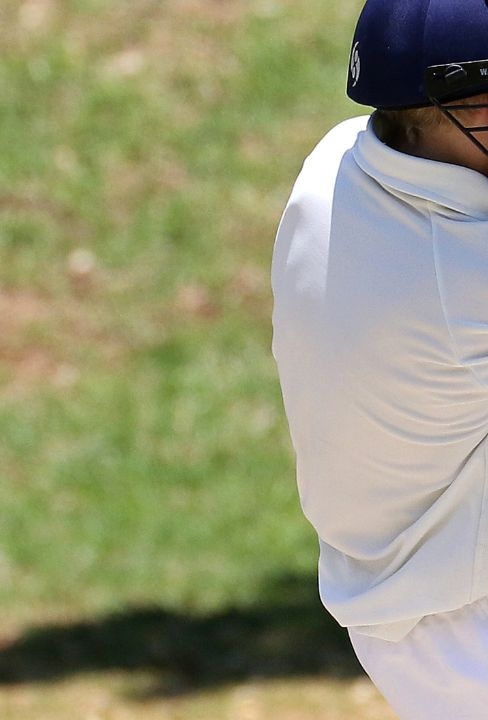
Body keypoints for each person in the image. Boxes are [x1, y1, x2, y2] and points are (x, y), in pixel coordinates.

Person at [273, 0, 488, 715]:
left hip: (404, 605)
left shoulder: (337, 162)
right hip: (467, 627)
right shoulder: (462, 274)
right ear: (424, 116)